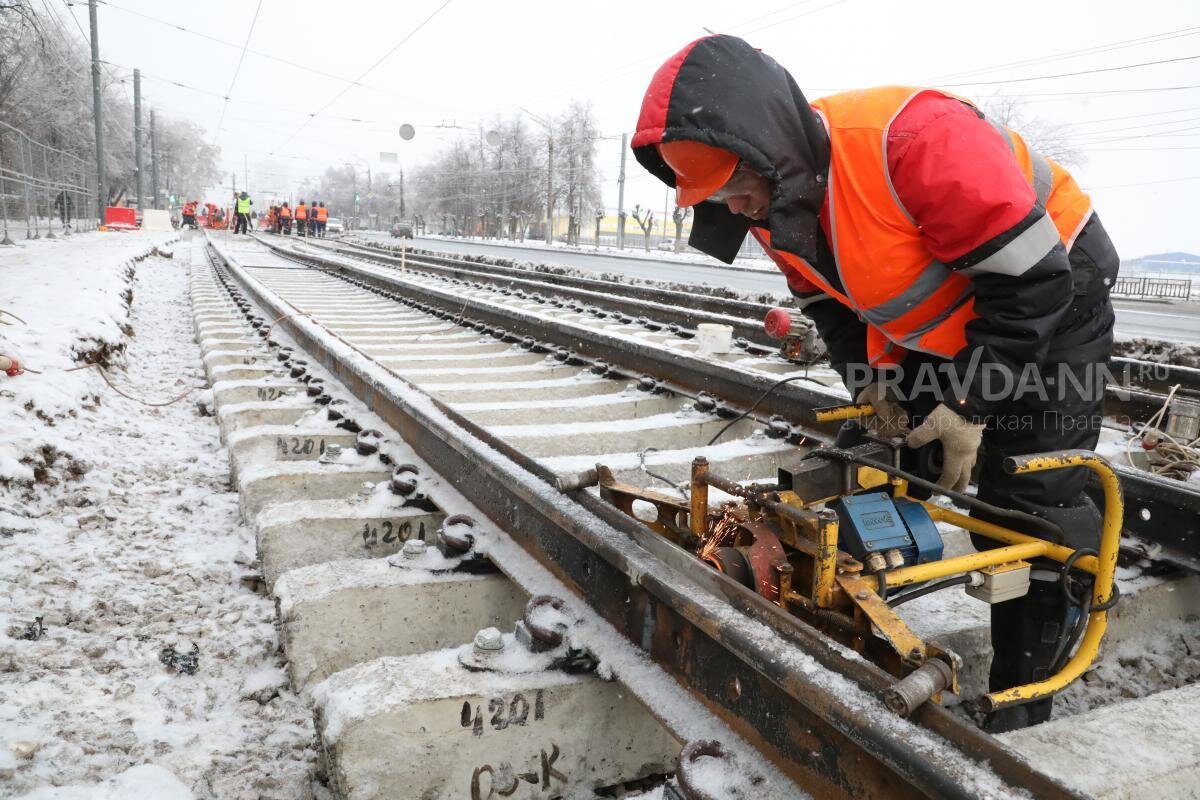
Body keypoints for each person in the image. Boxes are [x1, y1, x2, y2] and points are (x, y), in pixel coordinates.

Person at [633, 35, 1118, 732]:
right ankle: (869, 608)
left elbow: (1031, 283)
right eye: (724, 201)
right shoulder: (775, 206)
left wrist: (967, 402)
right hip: (953, 313)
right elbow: (833, 307)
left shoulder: (916, 142)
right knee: (886, 450)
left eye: (740, 191)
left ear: (774, 149)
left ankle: (1024, 700)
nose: (740, 212)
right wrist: (874, 390)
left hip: (1055, 290)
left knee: (1027, 494)